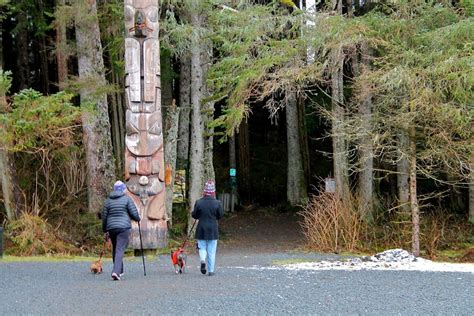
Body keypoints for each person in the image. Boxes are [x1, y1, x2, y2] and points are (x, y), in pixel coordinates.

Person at [102, 180, 140, 281]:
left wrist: (105, 230)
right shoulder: (127, 199)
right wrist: (137, 219)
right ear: (123, 189)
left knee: (116, 249)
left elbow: (104, 217)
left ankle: (120, 270)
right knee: (119, 249)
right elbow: (134, 212)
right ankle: (116, 272)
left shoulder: (108, 201)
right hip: (124, 228)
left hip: (112, 228)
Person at [192, 180, 224, 276]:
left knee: (202, 246)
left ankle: (202, 260)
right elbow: (220, 215)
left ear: (204, 191)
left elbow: (195, 215)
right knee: (211, 250)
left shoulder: (199, 202)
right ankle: (211, 270)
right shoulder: (217, 203)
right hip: (213, 228)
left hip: (201, 227)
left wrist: (195, 214)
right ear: (213, 191)